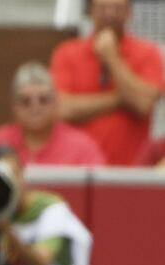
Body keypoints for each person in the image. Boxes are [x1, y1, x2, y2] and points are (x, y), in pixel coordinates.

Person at [50, 0, 163, 165]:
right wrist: (120, 98)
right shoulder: (67, 53)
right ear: (91, 11)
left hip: (132, 169)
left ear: (129, 12)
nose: (110, 14)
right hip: (76, 168)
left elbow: (143, 103)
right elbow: (61, 109)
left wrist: (111, 57)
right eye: (103, 8)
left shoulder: (148, 53)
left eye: (117, 8)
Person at [0, 61, 106, 166]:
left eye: (43, 100)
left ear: (56, 102)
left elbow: (101, 190)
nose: (35, 107)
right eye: (26, 101)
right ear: (14, 106)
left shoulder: (82, 148)